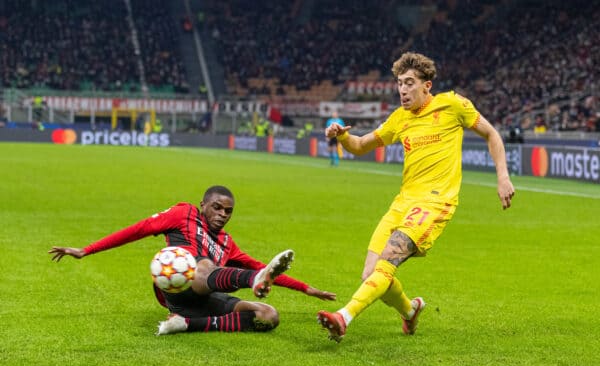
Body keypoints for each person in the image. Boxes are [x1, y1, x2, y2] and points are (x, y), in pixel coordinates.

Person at [317, 52, 515, 342]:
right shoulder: (400, 119)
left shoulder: (453, 104)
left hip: (435, 203)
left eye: (410, 83)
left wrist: (503, 177)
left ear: (427, 86)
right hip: (402, 202)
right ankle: (410, 311)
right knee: (370, 276)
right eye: (399, 83)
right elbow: (360, 145)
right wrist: (342, 136)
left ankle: (343, 317)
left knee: (387, 263)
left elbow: (491, 134)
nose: (403, 89)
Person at [49, 185, 336, 335]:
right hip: (176, 287)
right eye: (217, 207)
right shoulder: (184, 214)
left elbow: (260, 265)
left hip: (204, 300)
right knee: (205, 266)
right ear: (203, 205)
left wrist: (306, 288)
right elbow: (138, 229)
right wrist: (87, 249)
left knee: (268, 316)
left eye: (228, 211)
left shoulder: (226, 243)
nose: (223, 214)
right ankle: (250, 283)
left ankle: (186, 324)